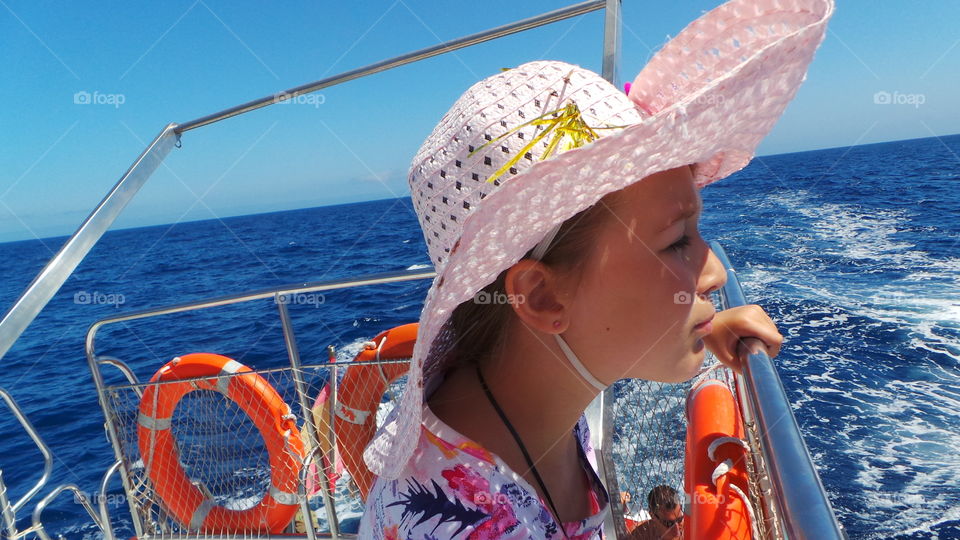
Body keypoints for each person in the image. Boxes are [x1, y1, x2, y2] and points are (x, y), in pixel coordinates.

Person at [358, 0, 834, 537]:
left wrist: (700, 328)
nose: (715, 275)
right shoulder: (464, 524)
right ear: (541, 298)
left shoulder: (520, 395)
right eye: (677, 241)